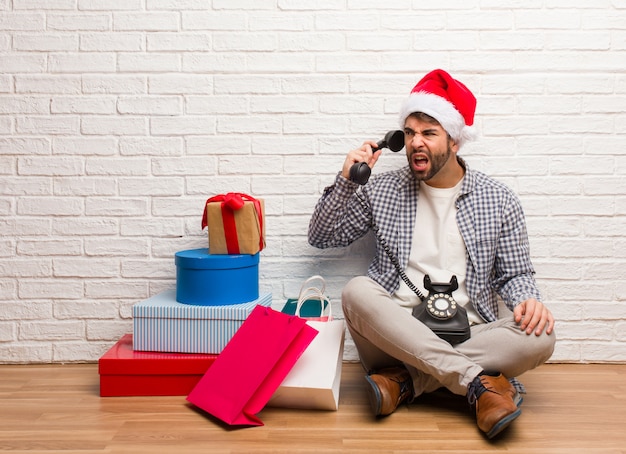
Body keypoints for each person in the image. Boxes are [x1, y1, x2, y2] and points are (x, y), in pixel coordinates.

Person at [307, 69, 556, 439]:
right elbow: (322, 236)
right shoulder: (384, 190)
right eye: (409, 133)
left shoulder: (498, 199)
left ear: (454, 141)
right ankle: (478, 384)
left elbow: (515, 275)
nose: (415, 143)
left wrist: (528, 300)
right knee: (356, 290)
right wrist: (347, 181)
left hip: (471, 333)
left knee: (542, 336)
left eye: (428, 133)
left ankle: (408, 381)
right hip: (396, 337)